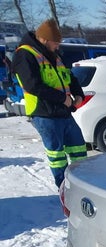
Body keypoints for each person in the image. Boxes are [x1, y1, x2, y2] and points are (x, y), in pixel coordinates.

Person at [11, 19, 87, 189]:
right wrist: (62, 98)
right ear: (45, 39)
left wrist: (78, 94)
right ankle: (63, 188)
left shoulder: (52, 54)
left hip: (64, 112)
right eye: (56, 43)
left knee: (78, 148)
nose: (58, 46)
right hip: (44, 114)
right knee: (57, 154)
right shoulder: (25, 55)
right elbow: (32, 85)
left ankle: (82, 183)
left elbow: (70, 77)